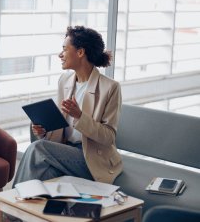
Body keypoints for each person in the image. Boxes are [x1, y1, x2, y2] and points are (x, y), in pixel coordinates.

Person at [13, 25, 123, 187]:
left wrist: (80, 116)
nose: (60, 55)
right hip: (65, 152)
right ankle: (18, 208)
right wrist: (45, 132)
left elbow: (108, 137)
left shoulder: (110, 87)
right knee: (42, 177)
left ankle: (11, 200)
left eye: (65, 49)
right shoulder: (64, 81)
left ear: (80, 52)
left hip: (92, 158)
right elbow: (61, 128)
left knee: (38, 148)